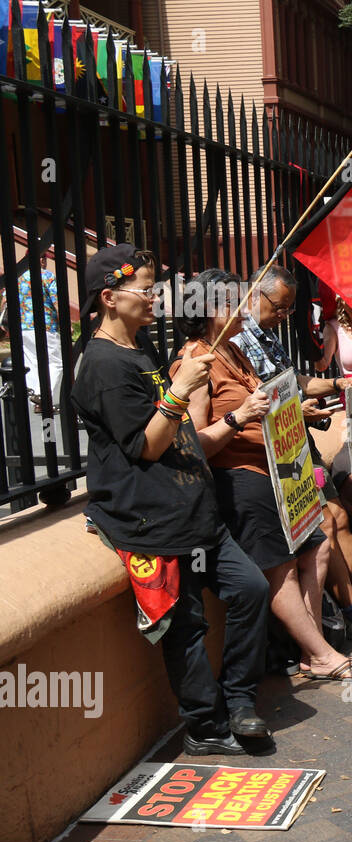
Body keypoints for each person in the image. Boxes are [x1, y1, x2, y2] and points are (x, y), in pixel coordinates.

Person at [71, 246, 272, 756]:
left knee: (249, 588)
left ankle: (240, 699)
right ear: (110, 298)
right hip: (151, 522)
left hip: (194, 512)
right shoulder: (101, 364)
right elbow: (146, 444)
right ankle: (206, 725)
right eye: (145, 289)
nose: (155, 297)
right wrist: (180, 389)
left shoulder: (138, 350)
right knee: (185, 625)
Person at [171, 270, 352, 679]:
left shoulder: (234, 351)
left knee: (319, 547)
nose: (242, 311)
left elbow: (274, 396)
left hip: (280, 470)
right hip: (241, 477)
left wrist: (293, 410)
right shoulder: (195, 362)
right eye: (233, 303)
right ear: (211, 309)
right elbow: (195, 442)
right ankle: (320, 653)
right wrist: (238, 417)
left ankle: (309, 644)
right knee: (280, 569)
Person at [5, 249, 64, 410]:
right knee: (56, 362)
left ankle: (36, 399)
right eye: (43, 257)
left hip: (22, 327)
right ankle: (42, 396)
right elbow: (57, 302)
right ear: (39, 259)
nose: (45, 261)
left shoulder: (17, 277)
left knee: (32, 361)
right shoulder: (47, 276)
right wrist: (65, 323)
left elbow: (6, 301)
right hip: (46, 326)